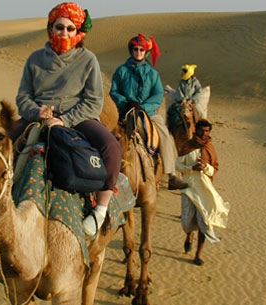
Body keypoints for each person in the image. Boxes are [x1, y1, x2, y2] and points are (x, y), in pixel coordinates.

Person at [14, 2, 121, 236]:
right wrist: (36, 112)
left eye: (70, 28)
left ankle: (100, 211)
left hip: (77, 117)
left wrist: (67, 120)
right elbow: (22, 96)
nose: (64, 33)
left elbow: (94, 101)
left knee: (111, 147)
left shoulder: (88, 60)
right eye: (59, 27)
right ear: (50, 29)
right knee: (2, 144)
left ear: (78, 33)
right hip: (39, 116)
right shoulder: (35, 60)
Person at [110, 33, 188, 190]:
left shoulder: (153, 74)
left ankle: (171, 175)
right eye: (135, 49)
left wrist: (143, 107)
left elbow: (158, 94)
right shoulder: (121, 71)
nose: (138, 52)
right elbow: (114, 91)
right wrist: (125, 102)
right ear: (131, 50)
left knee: (165, 135)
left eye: (141, 50)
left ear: (145, 52)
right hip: (124, 111)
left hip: (148, 113)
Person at [176, 119, 230, 266]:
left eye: (207, 131)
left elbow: (215, 169)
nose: (204, 133)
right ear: (196, 130)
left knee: (205, 223)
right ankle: (189, 235)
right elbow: (178, 165)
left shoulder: (210, 148)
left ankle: (198, 255)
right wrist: (191, 168)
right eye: (201, 130)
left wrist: (206, 167)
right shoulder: (187, 146)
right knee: (187, 222)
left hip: (204, 190)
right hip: (188, 188)